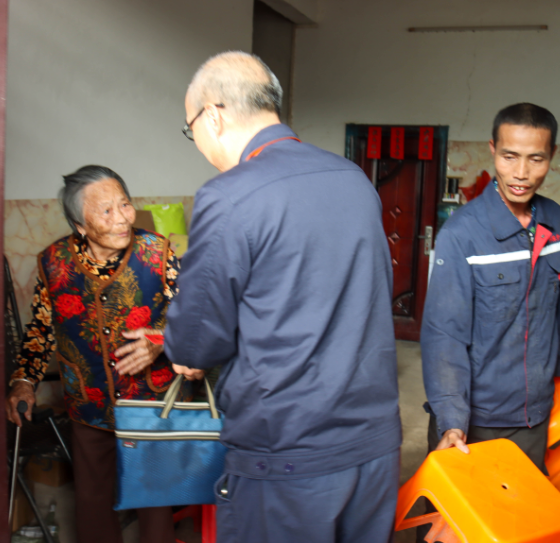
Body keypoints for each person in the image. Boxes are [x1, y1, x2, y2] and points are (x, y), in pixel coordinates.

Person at [165, 52, 402, 543]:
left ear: (213, 115)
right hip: (374, 446)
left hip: (289, 454)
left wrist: (186, 349)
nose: (199, 142)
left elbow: (195, 343)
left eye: (191, 130)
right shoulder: (353, 178)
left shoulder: (229, 196)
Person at [4, 165, 192, 543]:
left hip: (151, 401)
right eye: (106, 211)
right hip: (89, 401)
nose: (123, 218)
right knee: (92, 500)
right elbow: (41, 328)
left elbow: (194, 314)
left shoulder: (158, 252)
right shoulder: (53, 262)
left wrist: (162, 340)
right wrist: (23, 381)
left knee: (155, 502)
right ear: (80, 225)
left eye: (124, 204)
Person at [421, 103, 560, 475]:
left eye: (536, 159)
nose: (521, 173)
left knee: (525, 508)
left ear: (552, 155)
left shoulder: (554, 219)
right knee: (464, 512)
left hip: (534, 415)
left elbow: (557, 307)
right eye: (509, 157)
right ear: (492, 150)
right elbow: (444, 334)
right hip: (479, 418)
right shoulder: (462, 233)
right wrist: (452, 420)